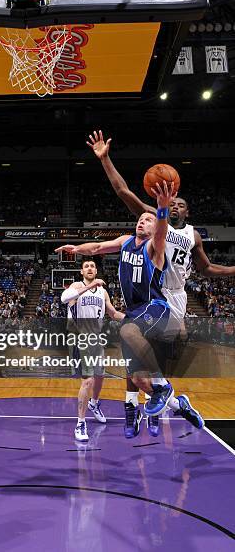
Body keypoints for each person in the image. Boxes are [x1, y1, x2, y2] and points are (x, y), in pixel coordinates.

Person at [86, 129, 235, 436]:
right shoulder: (155, 218)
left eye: (180, 203)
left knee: (152, 359)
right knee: (134, 354)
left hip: (174, 297)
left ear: (187, 211)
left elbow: (206, 269)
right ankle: (134, 407)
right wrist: (106, 159)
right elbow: (123, 192)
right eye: (172, 203)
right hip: (149, 293)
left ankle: (165, 402)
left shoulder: (192, 235)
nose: (175, 206)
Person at [57, 180, 205, 439]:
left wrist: (160, 210)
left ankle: (161, 388)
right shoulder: (126, 241)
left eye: (148, 221)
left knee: (127, 333)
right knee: (136, 377)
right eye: (141, 219)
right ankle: (177, 404)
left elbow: (160, 232)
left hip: (156, 307)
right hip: (136, 312)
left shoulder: (154, 247)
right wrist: (75, 248)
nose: (142, 222)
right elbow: (98, 248)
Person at [60, 259, 125, 442]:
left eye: (92, 266)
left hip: (96, 338)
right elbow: (64, 298)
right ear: (82, 271)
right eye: (86, 266)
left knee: (100, 375)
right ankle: (80, 423)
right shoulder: (76, 286)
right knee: (87, 380)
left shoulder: (103, 291)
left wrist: (131, 319)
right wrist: (90, 287)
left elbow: (112, 313)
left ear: (96, 270)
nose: (89, 268)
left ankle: (94, 404)